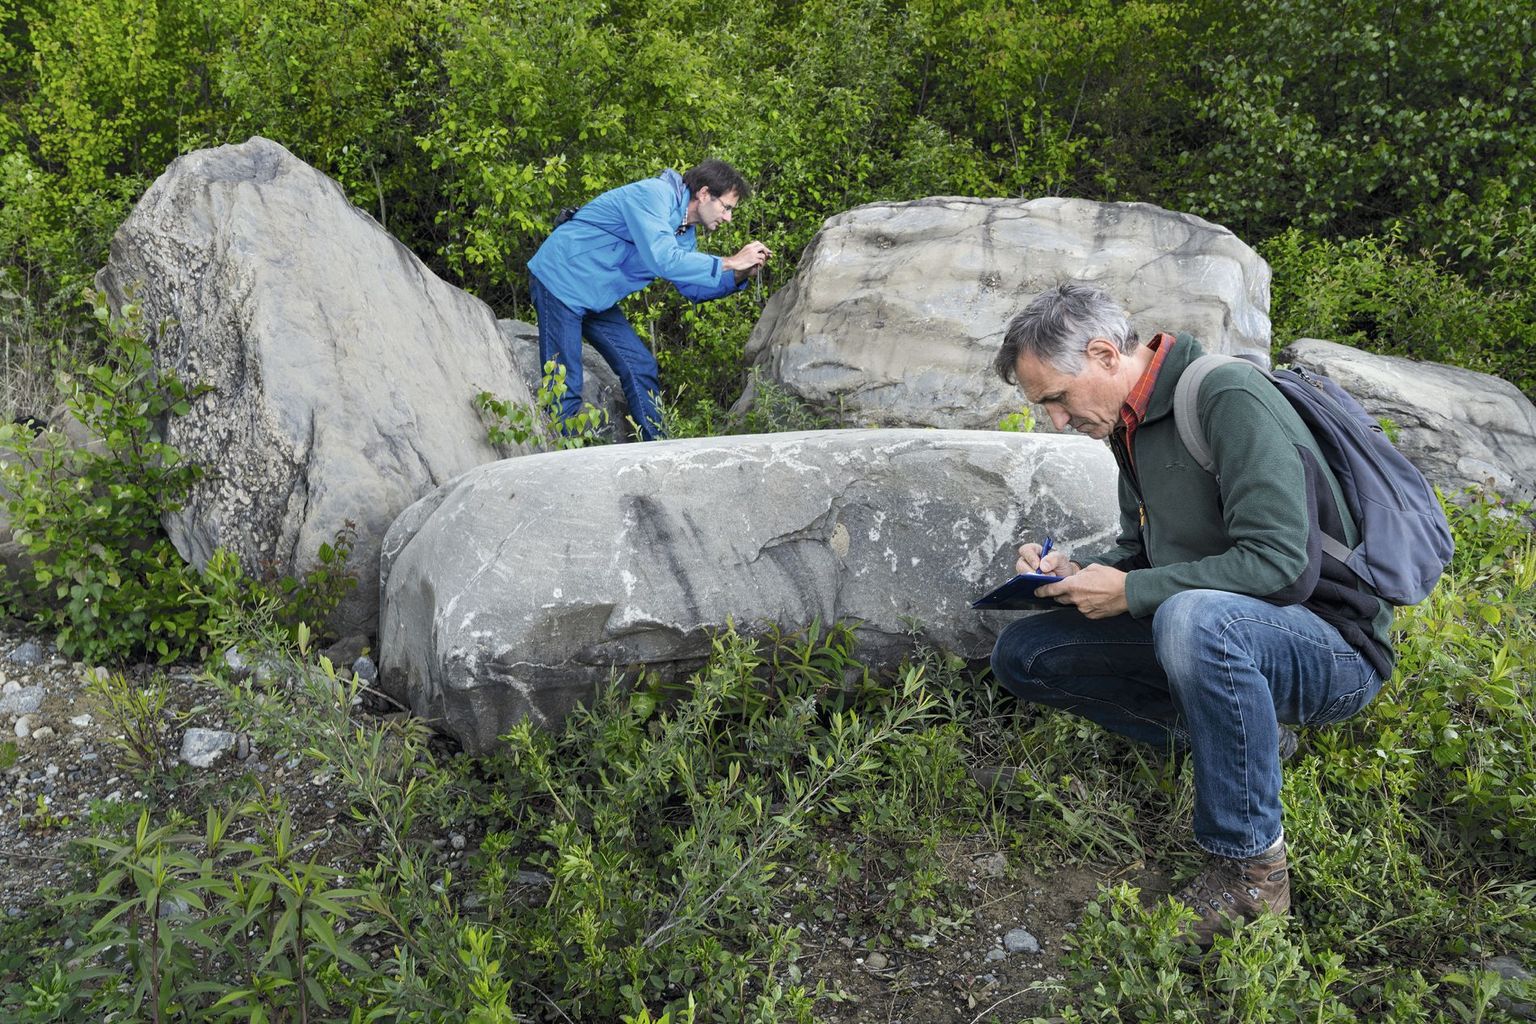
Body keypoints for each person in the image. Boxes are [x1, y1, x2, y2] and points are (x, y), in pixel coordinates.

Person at [988, 282, 1393, 946]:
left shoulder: (1225, 396)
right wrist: (1076, 571)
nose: (1056, 421)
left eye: (1056, 399)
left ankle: (1251, 874)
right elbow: (1142, 553)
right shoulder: (1127, 427)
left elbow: (1281, 566)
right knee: (1027, 655)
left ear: (1102, 354)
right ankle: (1255, 742)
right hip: (1228, 629)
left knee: (1194, 619)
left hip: (1334, 647)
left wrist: (1134, 593)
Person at [526, 159, 772, 440]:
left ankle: (657, 449)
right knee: (564, 383)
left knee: (640, 366)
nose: (727, 217)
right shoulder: (654, 196)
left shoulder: (684, 232)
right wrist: (731, 261)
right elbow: (664, 259)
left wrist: (740, 275)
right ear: (704, 194)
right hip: (561, 278)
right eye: (726, 208)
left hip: (596, 295)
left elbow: (691, 288)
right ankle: (561, 460)